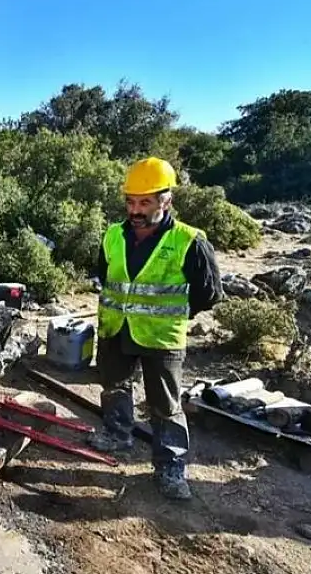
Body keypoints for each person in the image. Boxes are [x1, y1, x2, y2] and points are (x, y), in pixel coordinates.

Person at [87, 157, 223, 501]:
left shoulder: (189, 241)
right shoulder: (113, 235)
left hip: (162, 337)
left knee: (165, 403)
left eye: (145, 202)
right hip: (116, 328)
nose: (136, 210)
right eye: (131, 201)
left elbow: (209, 293)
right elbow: (105, 276)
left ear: (166, 200)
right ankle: (117, 434)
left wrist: (173, 314)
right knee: (114, 385)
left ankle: (170, 467)